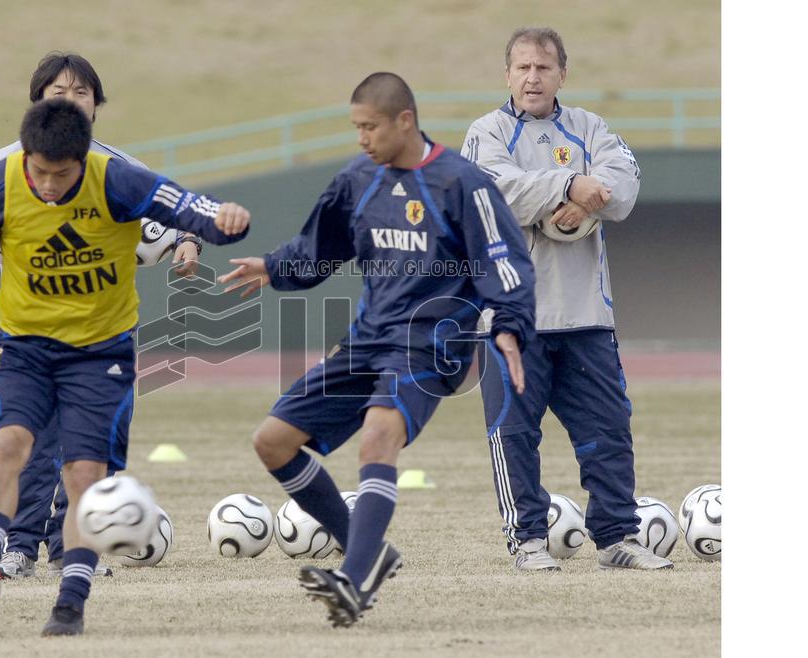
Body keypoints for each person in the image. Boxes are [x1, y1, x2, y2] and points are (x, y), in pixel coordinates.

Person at [0, 98, 250, 636]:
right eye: (40, 172)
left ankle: (70, 602)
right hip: (23, 347)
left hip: (99, 354)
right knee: (8, 443)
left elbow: (185, 206)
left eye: (61, 174)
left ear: (83, 159)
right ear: (26, 156)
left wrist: (223, 222)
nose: (48, 185)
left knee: (84, 475)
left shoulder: (117, 180)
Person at [219, 72, 535, 627]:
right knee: (272, 443)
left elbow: (503, 260)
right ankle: (368, 553)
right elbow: (317, 249)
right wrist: (274, 267)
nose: (361, 138)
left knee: (377, 437)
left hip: (431, 344)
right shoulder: (357, 179)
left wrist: (508, 322)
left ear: (404, 122)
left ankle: (355, 579)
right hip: (368, 338)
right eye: (355, 127)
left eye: (370, 127)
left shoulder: (462, 183)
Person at [0, 52, 203, 580]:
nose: (69, 100)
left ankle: (72, 550)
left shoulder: (116, 172)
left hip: (101, 334)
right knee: (28, 440)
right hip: (29, 332)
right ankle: (17, 546)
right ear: (38, 102)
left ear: (96, 106)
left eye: (81, 92)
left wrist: (187, 243)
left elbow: (170, 212)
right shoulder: (4, 169)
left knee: (92, 450)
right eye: (57, 91)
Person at [460, 27, 671, 571]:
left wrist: (587, 200)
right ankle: (528, 541)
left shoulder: (589, 127)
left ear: (561, 74)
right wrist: (568, 186)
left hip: (585, 315)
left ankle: (619, 539)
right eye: (523, 67)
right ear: (507, 74)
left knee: (606, 431)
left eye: (544, 68)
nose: (533, 77)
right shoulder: (484, 134)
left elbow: (622, 184)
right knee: (515, 436)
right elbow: (493, 192)